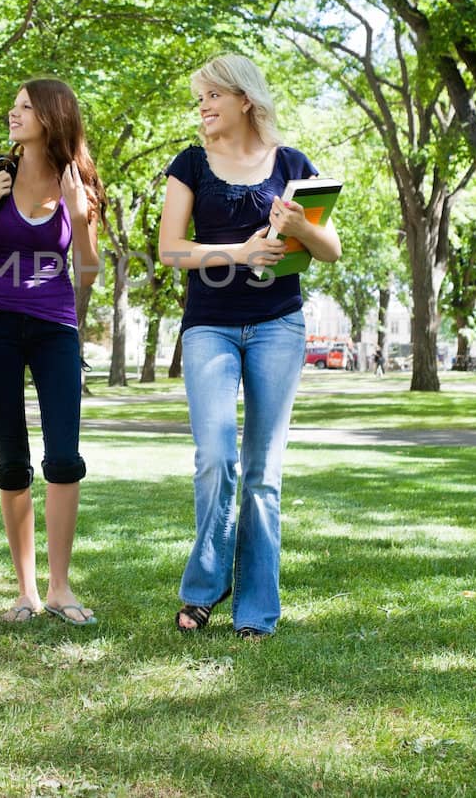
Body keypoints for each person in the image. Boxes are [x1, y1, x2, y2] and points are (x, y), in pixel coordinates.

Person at [157, 54, 340, 639]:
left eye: (213, 95)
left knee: (264, 470)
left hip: (278, 326)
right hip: (209, 324)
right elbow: (170, 250)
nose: (204, 107)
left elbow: (329, 250)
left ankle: (257, 610)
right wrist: (238, 252)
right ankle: (206, 585)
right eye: (200, 98)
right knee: (215, 456)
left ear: (244, 99)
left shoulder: (291, 165)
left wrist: (299, 226)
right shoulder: (190, 164)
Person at [0, 78, 103, 626]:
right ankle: (25, 592)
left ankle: (60, 587)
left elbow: (87, 273)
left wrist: (79, 211)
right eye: (13, 105)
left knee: (64, 456)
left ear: (51, 116)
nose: (13, 114)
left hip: (55, 328)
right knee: (12, 460)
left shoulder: (78, 180)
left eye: (24, 107)